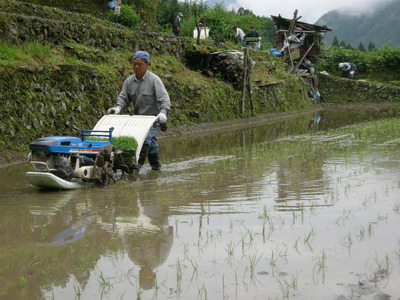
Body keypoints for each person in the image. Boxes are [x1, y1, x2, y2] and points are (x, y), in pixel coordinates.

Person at [107, 51, 171, 172]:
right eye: (134, 64)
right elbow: (123, 98)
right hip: (139, 120)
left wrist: (163, 112)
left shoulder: (154, 80)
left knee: (145, 139)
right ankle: (156, 168)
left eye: (140, 64)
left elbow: (165, 99)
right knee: (151, 144)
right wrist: (118, 108)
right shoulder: (129, 81)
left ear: (147, 65)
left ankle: (136, 168)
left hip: (153, 119)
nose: (136, 67)